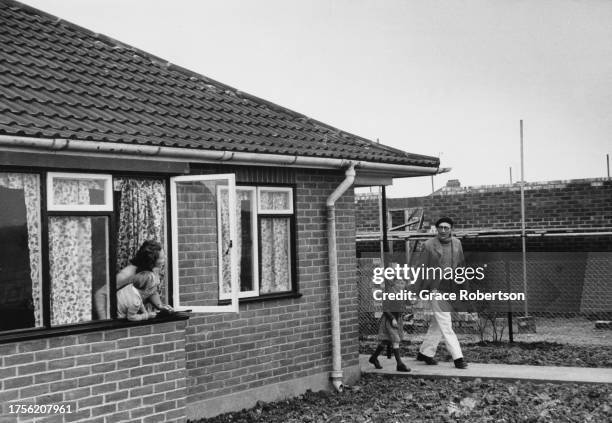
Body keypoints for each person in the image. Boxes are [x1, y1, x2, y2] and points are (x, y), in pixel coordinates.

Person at [415, 217, 468, 369]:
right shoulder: (428, 245)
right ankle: (458, 358)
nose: (443, 230)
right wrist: (418, 290)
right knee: (446, 323)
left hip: (451, 287)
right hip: (435, 288)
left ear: (451, 229)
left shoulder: (457, 243)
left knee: (438, 323)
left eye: (446, 228)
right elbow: (421, 267)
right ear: (436, 229)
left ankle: (425, 352)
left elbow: (461, 265)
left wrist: (464, 288)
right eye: (440, 228)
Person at [368, 263, 410, 372]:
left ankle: (373, 358)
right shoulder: (390, 293)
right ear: (394, 283)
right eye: (399, 282)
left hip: (397, 320)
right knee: (395, 340)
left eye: (403, 283)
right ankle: (399, 364)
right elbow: (385, 308)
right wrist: (392, 319)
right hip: (389, 320)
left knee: (386, 341)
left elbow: (403, 305)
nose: (401, 285)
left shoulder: (402, 293)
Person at [116, 240, 173, 313]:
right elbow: (102, 294)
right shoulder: (127, 273)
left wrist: (160, 306)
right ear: (151, 260)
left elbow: (151, 291)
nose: (165, 259)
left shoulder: (153, 270)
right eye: (161, 258)